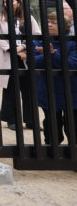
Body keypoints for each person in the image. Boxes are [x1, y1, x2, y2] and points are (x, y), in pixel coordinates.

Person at [0, 0, 40, 130]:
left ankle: (31, 121)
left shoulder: (28, 17)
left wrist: (24, 48)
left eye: (11, 0)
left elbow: (36, 34)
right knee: (11, 89)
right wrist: (13, 51)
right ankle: (11, 120)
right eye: (5, 1)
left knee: (29, 89)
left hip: (25, 57)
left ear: (18, 2)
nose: (8, 3)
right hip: (9, 57)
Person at [32, 12, 77, 146]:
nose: (49, 25)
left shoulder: (73, 42)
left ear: (66, 26)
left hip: (71, 91)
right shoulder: (38, 41)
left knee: (73, 124)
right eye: (48, 22)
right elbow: (32, 61)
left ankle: (73, 154)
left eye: (54, 22)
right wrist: (49, 56)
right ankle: (52, 151)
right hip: (47, 90)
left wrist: (50, 56)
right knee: (51, 124)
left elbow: (72, 63)